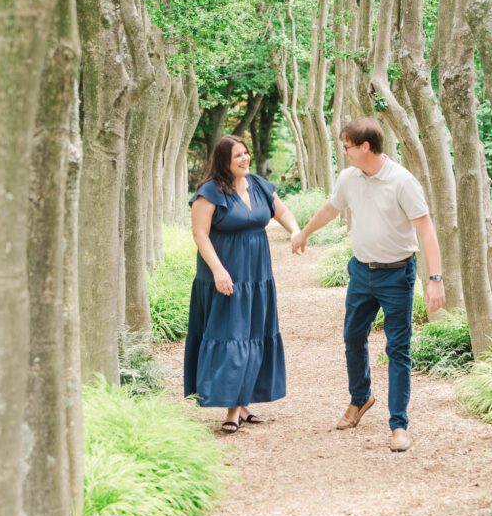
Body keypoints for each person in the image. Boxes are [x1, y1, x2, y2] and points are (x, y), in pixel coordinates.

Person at [291, 117, 445, 452]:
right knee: (353, 338)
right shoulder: (349, 177)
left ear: (365, 146)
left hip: (397, 274)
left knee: (397, 348)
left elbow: (426, 229)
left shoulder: (402, 181)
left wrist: (434, 279)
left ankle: (399, 424)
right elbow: (332, 209)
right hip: (361, 272)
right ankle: (360, 398)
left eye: (346, 145)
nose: (343, 151)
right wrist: (304, 232)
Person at [185, 134, 300, 433]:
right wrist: (219, 271)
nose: (245, 158)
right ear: (224, 160)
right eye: (238, 155)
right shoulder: (209, 192)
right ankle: (232, 409)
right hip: (226, 274)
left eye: (246, 153)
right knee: (232, 335)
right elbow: (200, 235)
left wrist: (295, 231)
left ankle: (244, 401)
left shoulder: (259, 185)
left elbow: (282, 211)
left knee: (253, 335)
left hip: (258, 276)